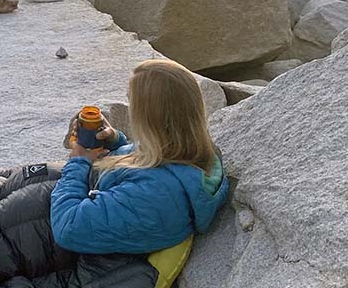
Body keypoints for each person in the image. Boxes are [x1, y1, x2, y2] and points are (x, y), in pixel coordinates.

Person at [50, 58, 229, 254]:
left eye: (133, 102)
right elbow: (149, 166)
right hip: (47, 208)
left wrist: (78, 162)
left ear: (151, 118)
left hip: (42, 241)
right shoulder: (184, 153)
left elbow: (68, 228)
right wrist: (115, 141)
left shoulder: (155, 196)